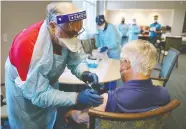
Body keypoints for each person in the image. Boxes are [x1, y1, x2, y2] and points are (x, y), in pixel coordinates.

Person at [5, 2, 103, 129]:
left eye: (76, 33)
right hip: (26, 98)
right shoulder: (28, 48)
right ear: (52, 26)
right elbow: (39, 95)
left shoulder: (65, 32)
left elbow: (76, 59)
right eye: (70, 33)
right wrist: (77, 97)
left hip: (48, 87)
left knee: (50, 118)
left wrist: (85, 73)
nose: (74, 37)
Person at [65, 39, 170, 124]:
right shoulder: (164, 94)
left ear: (125, 64)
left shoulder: (110, 99)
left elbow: (81, 118)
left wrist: (71, 113)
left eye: (121, 62)